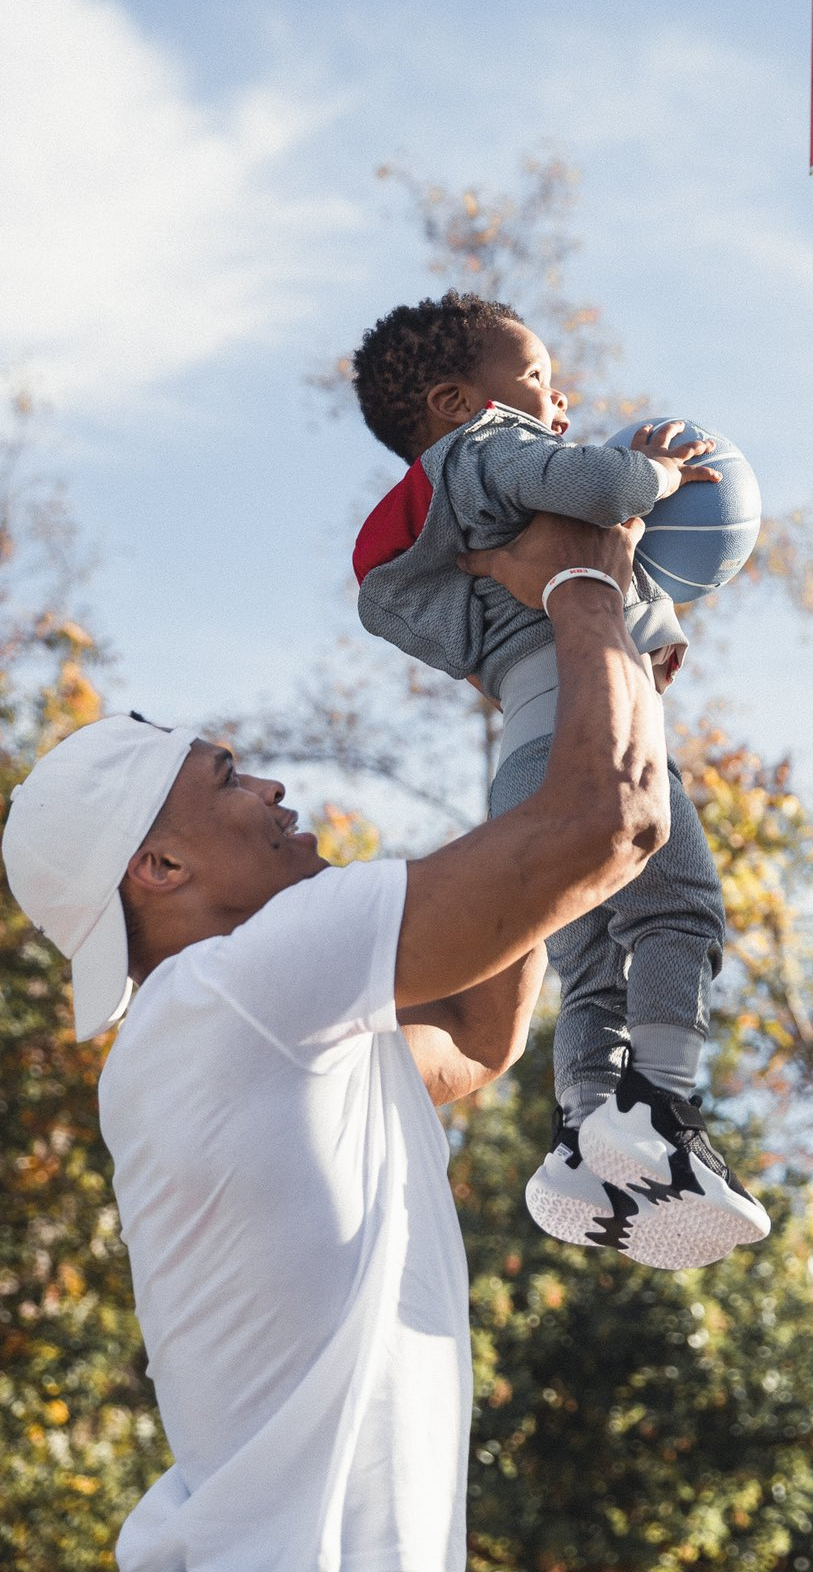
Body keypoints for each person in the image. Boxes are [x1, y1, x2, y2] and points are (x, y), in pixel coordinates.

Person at [1, 514, 672, 1572]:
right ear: (161, 869)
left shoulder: (238, 1039)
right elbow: (612, 822)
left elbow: (475, 1033)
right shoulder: (234, 988)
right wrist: (586, 579)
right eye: (227, 778)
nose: (270, 788)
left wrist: (582, 690)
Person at [348, 293, 769, 1269]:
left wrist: (649, 626)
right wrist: (655, 471)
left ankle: (587, 1126)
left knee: (589, 946)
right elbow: (600, 489)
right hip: (591, 734)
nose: (557, 392)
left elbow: (562, 587)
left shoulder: (461, 528)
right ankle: (660, 1104)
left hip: (526, 758)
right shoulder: (484, 449)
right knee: (680, 910)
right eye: (535, 373)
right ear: (459, 401)